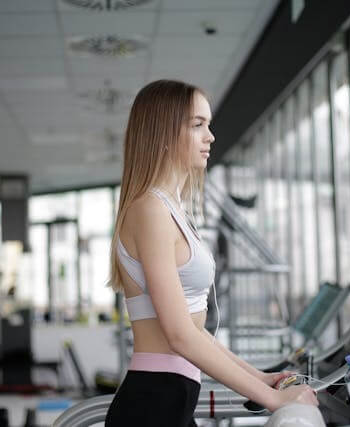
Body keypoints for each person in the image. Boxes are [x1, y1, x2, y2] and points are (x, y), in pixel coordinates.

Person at [105, 80, 318, 426]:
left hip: (173, 397)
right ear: (164, 132)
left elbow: (193, 328)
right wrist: (273, 399)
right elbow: (179, 334)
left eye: (208, 124)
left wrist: (260, 379)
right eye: (197, 124)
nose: (210, 137)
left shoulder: (171, 208)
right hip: (153, 403)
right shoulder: (150, 209)